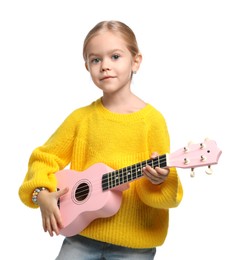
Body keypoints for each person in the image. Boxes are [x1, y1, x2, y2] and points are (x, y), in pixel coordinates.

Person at [19, 20, 183, 259]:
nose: (105, 66)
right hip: (80, 237)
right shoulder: (81, 119)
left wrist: (160, 181)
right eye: (96, 59)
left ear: (135, 61)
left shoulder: (152, 121)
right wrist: (41, 193)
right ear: (87, 67)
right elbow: (44, 157)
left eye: (115, 57)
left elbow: (162, 193)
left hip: (134, 245)